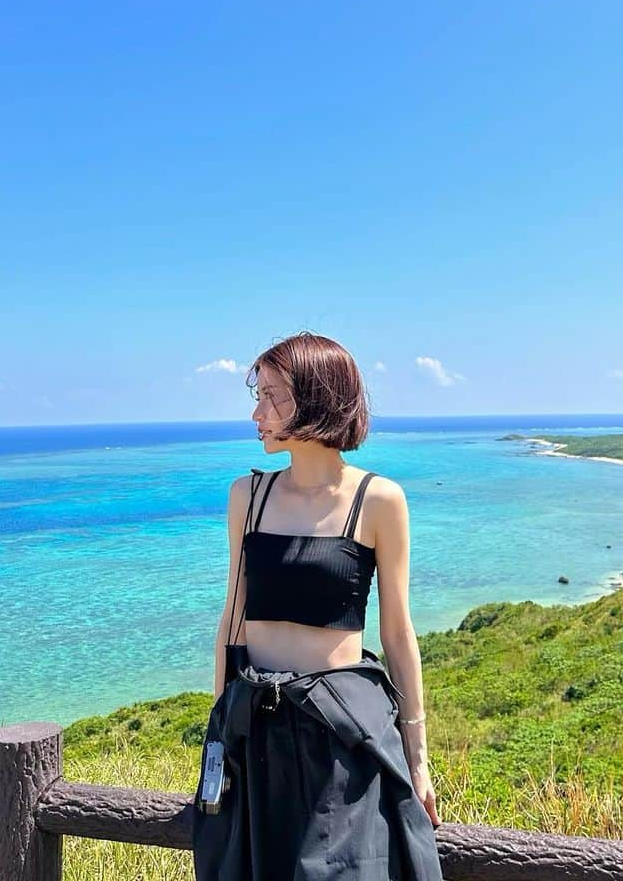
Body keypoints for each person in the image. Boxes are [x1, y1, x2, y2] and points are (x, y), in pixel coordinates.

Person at [192, 331, 443, 880]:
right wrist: (219, 740)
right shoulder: (247, 497)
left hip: (339, 736)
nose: (257, 412)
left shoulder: (378, 500)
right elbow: (233, 617)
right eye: (257, 396)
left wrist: (417, 758)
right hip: (254, 730)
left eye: (270, 395)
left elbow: (398, 635)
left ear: (315, 397)